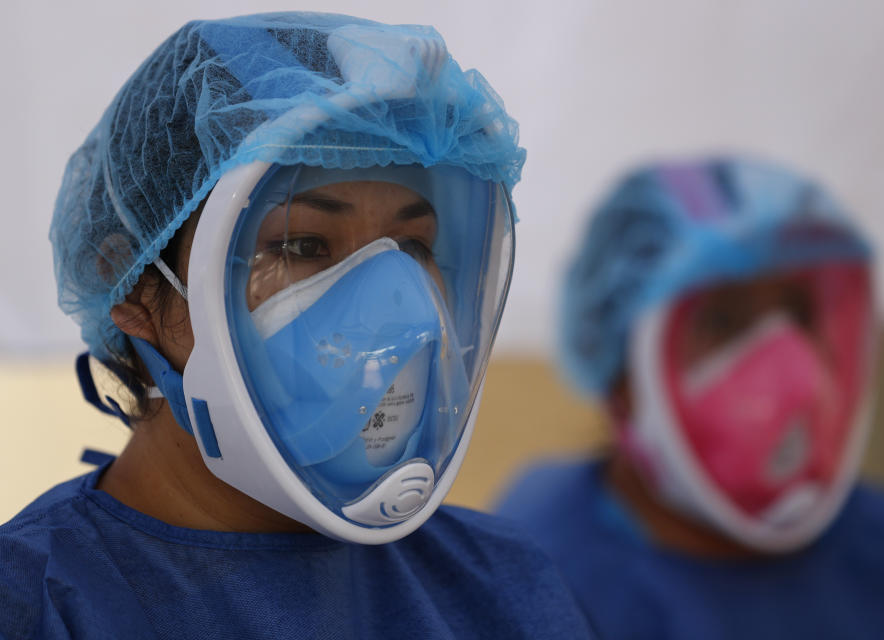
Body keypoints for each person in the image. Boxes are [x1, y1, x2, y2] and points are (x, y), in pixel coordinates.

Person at [0, 13, 593, 639]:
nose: (393, 309)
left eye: (414, 248)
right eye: (305, 243)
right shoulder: (40, 605)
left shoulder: (502, 583)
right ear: (135, 286)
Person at [496, 156, 884, 639]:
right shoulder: (530, 587)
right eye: (723, 321)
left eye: (799, 314)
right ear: (620, 369)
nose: (788, 365)